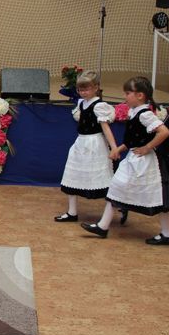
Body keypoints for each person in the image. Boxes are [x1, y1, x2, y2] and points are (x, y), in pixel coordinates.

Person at [81, 76, 169, 245]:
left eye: (127, 93)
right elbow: (133, 139)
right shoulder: (134, 112)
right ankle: (103, 226)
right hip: (133, 158)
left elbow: (164, 132)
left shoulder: (145, 114)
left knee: (157, 197)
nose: (125, 96)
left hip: (145, 162)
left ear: (140, 95)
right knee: (116, 187)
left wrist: (147, 147)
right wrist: (119, 149)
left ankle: (168, 234)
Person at [55, 70, 117, 223]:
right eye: (80, 89)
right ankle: (72, 212)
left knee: (101, 177)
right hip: (81, 142)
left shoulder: (99, 106)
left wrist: (114, 148)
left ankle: (118, 206)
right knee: (72, 174)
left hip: (94, 144)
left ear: (96, 87)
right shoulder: (81, 103)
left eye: (86, 89)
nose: (83, 92)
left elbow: (106, 128)